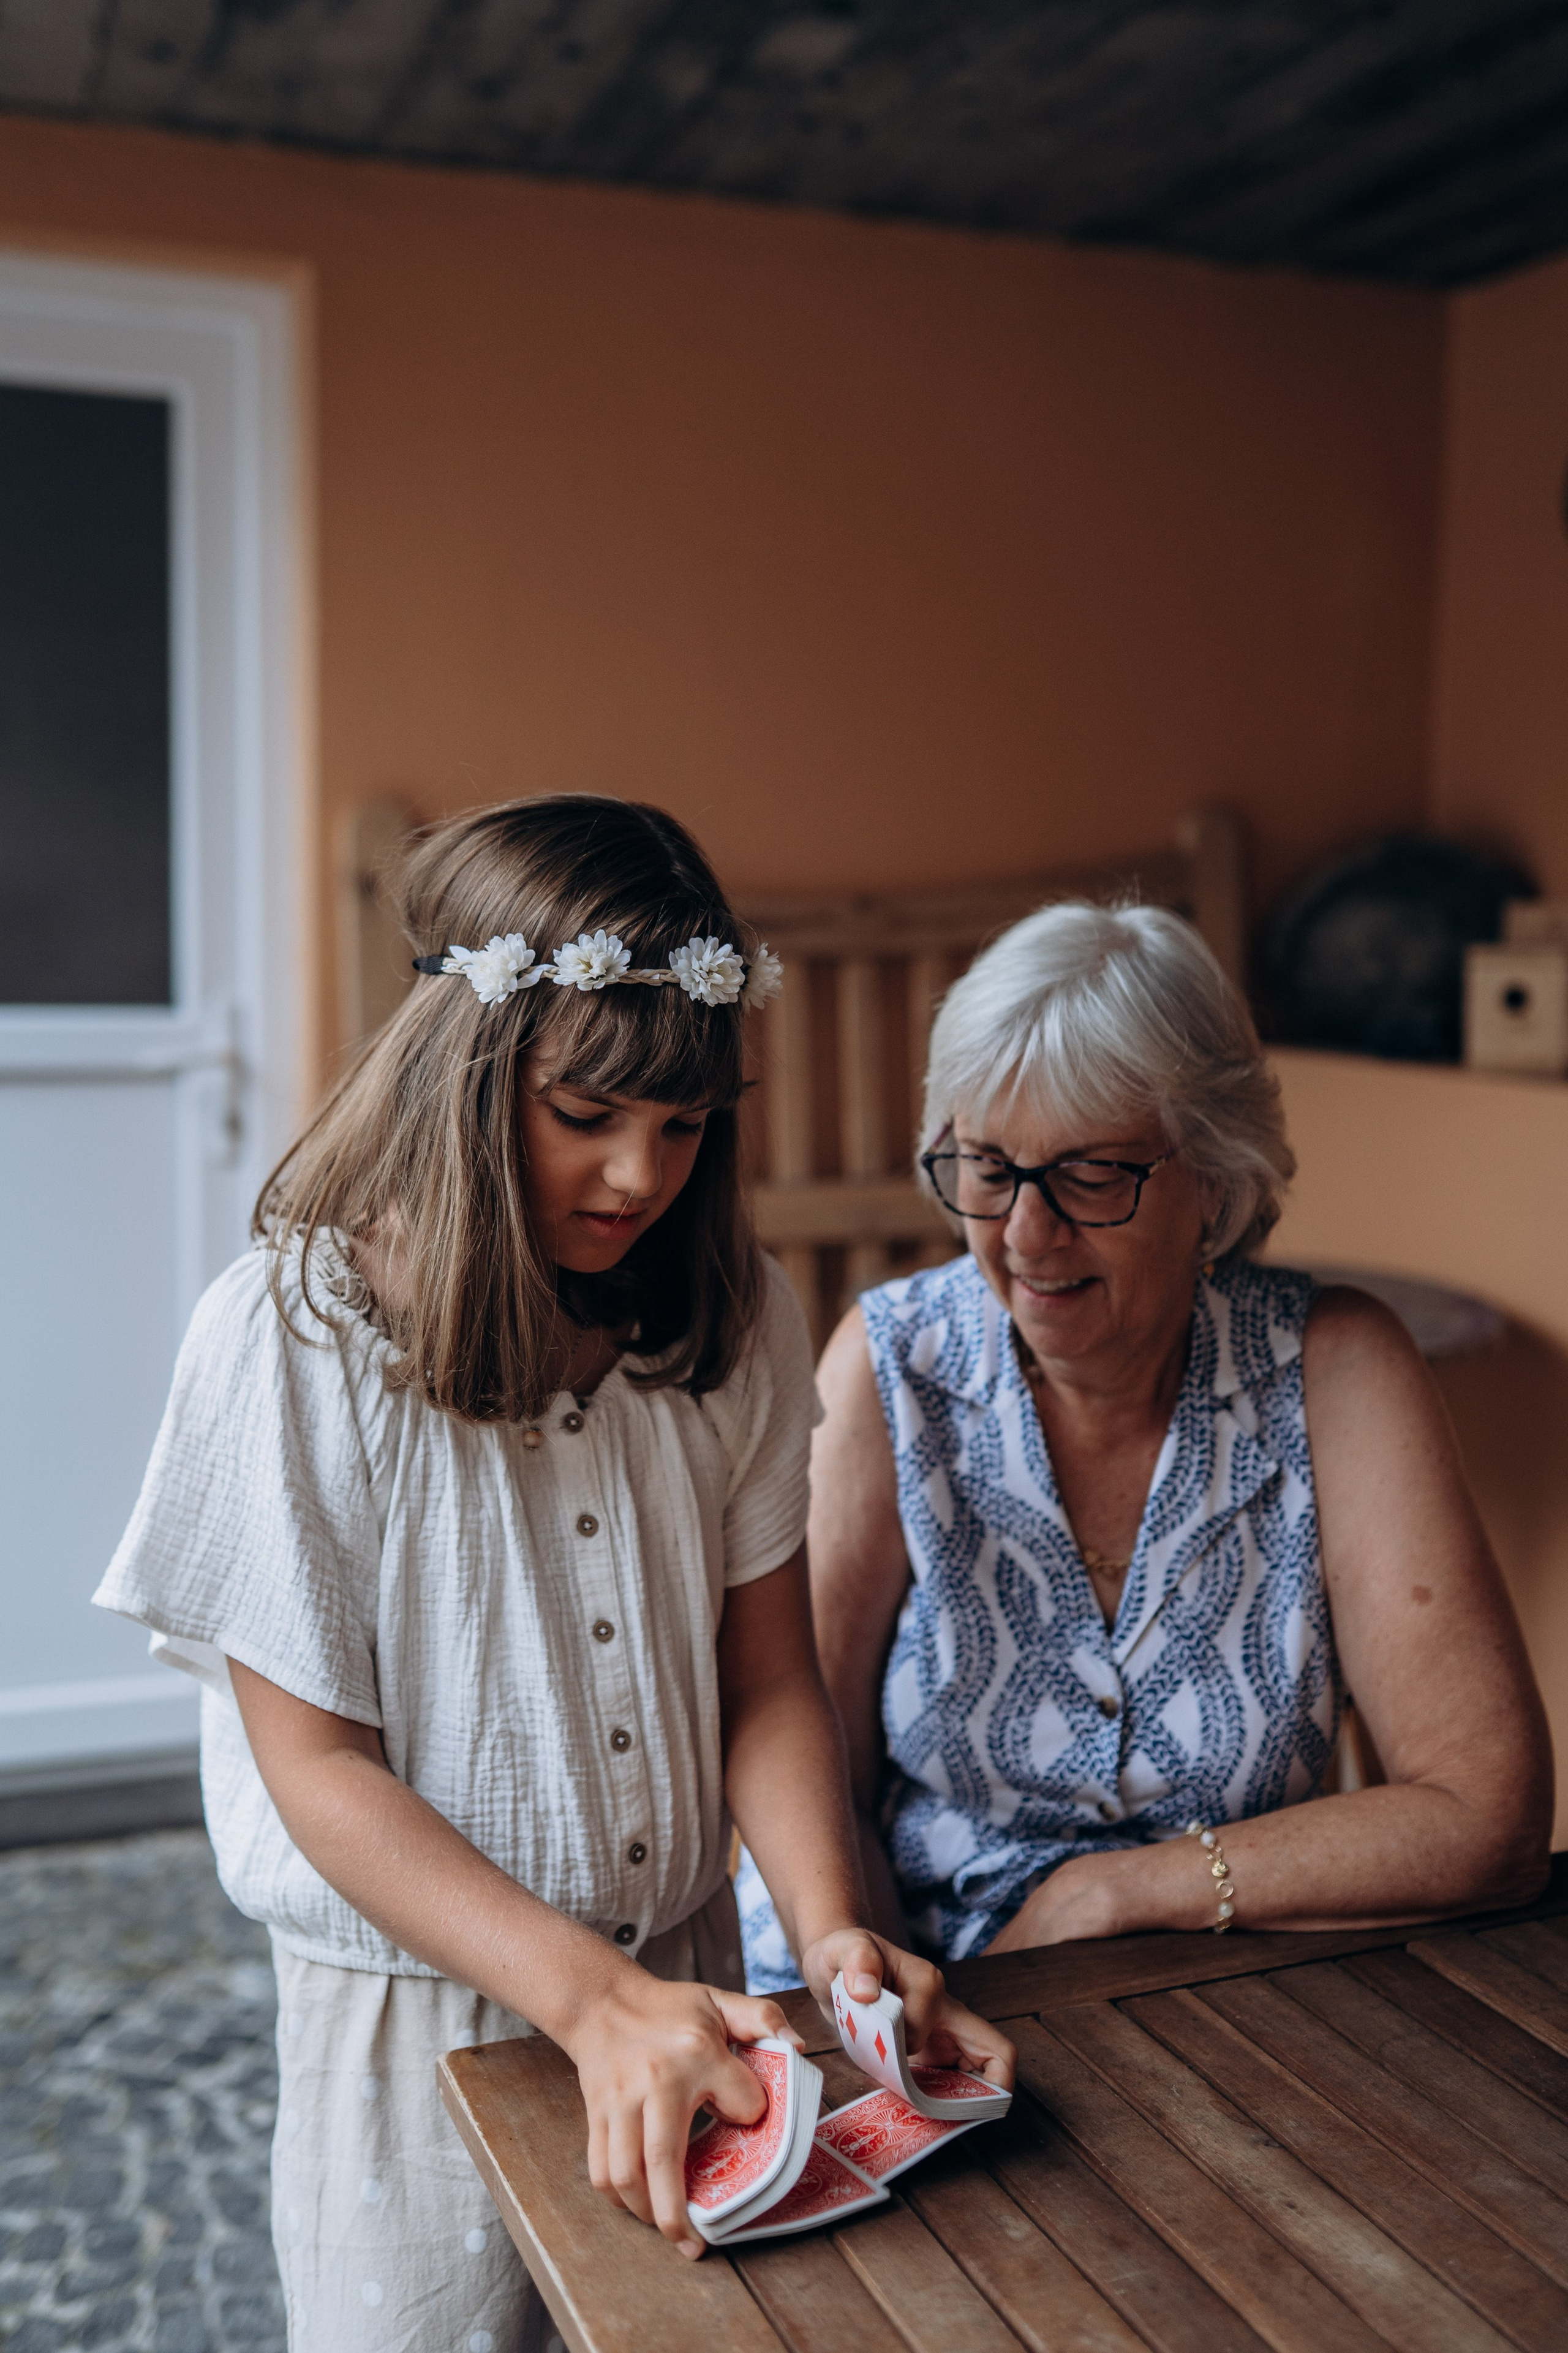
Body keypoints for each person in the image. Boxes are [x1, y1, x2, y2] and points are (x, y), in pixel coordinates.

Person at [94, 795, 1012, 2353]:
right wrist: (585, 2004)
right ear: (463, 1074)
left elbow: (769, 1677)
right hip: (426, 2030)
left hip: (693, 1984)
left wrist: (830, 1920)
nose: (640, 1172)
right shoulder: (290, 1337)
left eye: (687, 1122)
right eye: (584, 1112)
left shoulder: (728, 1318)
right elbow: (316, 1768)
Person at [739, 899, 1552, 1988]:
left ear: (1213, 1178)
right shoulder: (893, 1365)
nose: (1028, 1235)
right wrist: (899, 2009)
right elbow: (809, 1781)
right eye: (988, 1167)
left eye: (1090, 1174)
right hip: (926, 1990)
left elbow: (1489, 1817)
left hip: (1238, 1987)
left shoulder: (1335, 1368)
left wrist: (1118, 1892)